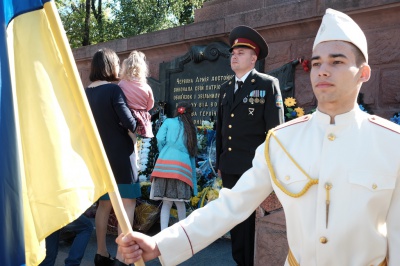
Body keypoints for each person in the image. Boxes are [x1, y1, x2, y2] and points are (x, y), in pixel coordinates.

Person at [116, 8, 400, 266]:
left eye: (337, 61)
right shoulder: (283, 142)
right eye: (316, 63)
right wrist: (160, 243)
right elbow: (230, 205)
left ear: (363, 73)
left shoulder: (391, 145)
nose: (323, 70)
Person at [215, 25, 284, 265]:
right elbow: (221, 128)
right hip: (230, 166)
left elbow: (274, 132)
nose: (234, 56)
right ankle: (239, 260)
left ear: (254, 58)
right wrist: (219, 163)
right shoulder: (225, 90)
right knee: (234, 220)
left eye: (241, 52)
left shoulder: (267, 85)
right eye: (233, 53)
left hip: (254, 168)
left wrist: (273, 169)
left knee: (252, 223)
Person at [85, 48, 141, 266]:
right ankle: (121, 257)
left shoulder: (86, 91)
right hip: (120, 155)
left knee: (104, 205)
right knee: (127, 204)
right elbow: (130, 123)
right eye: (117, 62)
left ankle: (101, 253)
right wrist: (138, 125)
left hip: (99, 156)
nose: (119, 66)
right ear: (109, 65)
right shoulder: (113, 90)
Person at [150, 102, 198, 230]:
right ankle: (182, 232)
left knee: (166, 202)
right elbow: (193, 154)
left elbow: (159, 138)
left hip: (164, 166)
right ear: (190, 113)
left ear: (177, 111)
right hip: (182, 169)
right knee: (180, 203)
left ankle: (163, 233)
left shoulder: (168, 122)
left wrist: (164, 150)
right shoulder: (192, 128)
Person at [119, 50, 155, 178]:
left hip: (126, 116)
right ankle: (136, 164)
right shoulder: (146, 86)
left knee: (130, 141)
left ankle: (133, 164)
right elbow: (150, 104)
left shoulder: (122, 84)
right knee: (134, 141)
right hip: (141, 118)